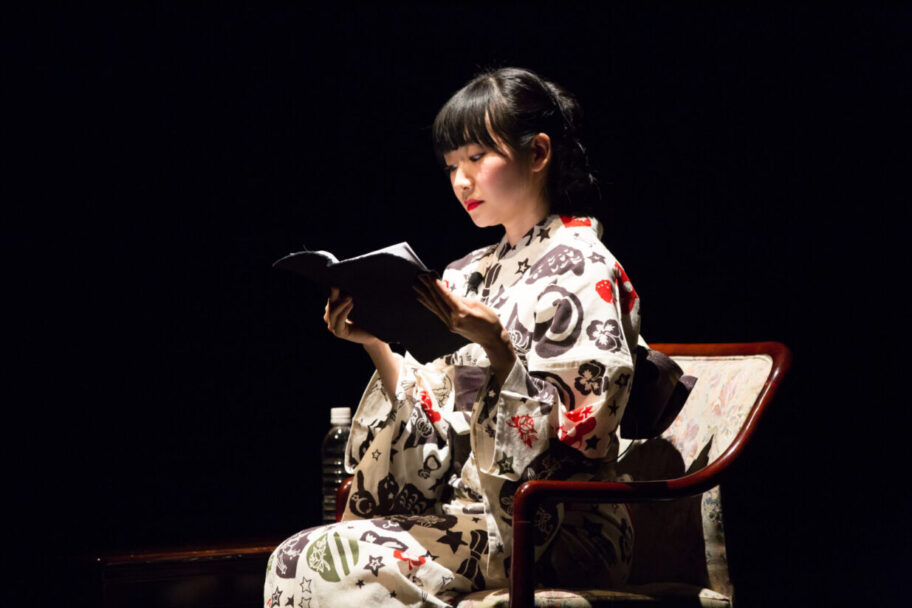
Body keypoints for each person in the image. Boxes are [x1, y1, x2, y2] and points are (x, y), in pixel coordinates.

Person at [264, 67, 641, 608]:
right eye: (451, 166)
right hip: (478, 515)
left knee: (317, 562)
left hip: (561, 523)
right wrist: (375, 343)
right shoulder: (468, 274)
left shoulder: (586, 266)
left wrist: (498, 347)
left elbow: (585, 439)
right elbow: (439, 419)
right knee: (300, 554)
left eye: (476, 158)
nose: (461, 181)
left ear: (538, 153)